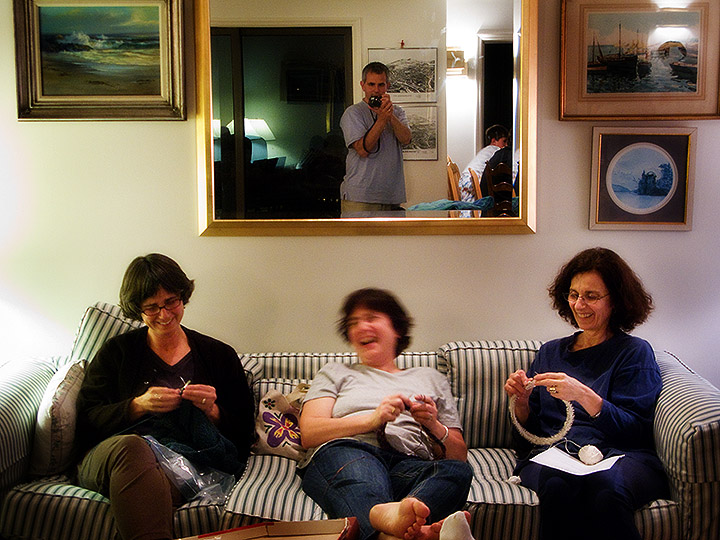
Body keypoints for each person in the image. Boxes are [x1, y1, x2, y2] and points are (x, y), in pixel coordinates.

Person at [75, 254, 255, 540]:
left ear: (183, 296)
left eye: (171, 302)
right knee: (133, 449)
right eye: (151, 307)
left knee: (152, 484)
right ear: (137, 308)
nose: (164, 314)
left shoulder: (219, 355)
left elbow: (245, 432)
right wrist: (137, 405)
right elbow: (86, 419)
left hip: (183, 464)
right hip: (114, 454)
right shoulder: (116, 352)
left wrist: (213, 411)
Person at [504, 247, 669, 540]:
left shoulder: (634, 352)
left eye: (591, 296)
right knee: (557, 486)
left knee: (607, 489)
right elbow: (528, 439)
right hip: (558, 455)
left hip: (621, 456)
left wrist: (583, 395)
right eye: (573, 294)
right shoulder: (550, 352)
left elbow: (636, 431)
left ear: (615, 301)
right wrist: (522, 403)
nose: (579, 305)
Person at [298, 288, 473, 540]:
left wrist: (433, 424)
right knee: (362, 480)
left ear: (397, 329)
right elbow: (309, 432)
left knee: (457, 472)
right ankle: (411, 529)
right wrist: (373, 419)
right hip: (349, 451)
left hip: (409, 463)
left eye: (371, 318)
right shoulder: (335, 372)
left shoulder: (431, 378)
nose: (361, 327)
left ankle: (396, 524)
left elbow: (458, 456)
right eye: (353, 323)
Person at [339, 62, 412, 215]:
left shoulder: (397, 112)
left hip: (391, 197)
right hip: (360, 198)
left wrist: (390, 116)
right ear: (363, 85)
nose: (376, 90)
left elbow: (406, 139)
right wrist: (382, 119)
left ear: (387, 86)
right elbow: (362, 150)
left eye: (381, 85)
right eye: (371, 84)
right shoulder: (353, 113)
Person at [458, 124, 509, 201]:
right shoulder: (495, 151)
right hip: (471, 186)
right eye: (504, 141)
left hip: (465, 184)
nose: (506, 145)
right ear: (493, 141)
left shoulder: (485, 151)